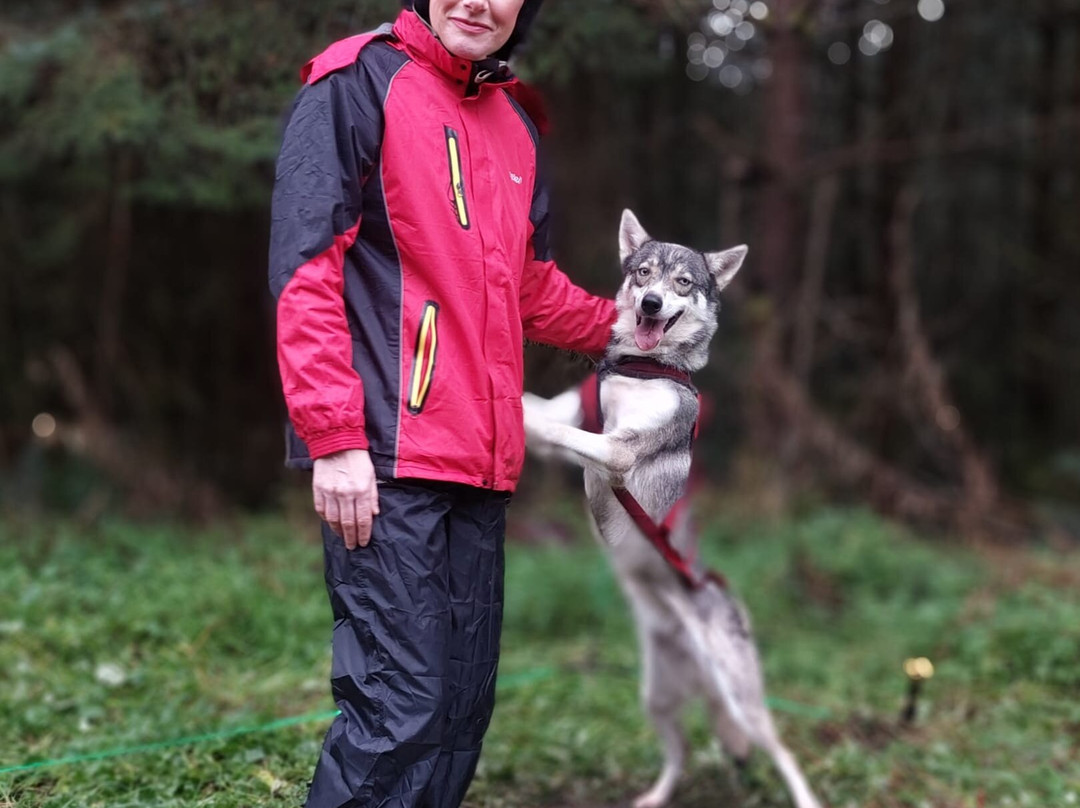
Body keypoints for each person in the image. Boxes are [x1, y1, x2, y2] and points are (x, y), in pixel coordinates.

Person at [268, 1, 615, 806]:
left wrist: (624, 332)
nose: (477, 1)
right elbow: (307, 267)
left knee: (460, 712)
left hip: (481, 461)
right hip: (385, 454)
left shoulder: (515, 125)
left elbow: (528, 286)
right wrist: (333, 437)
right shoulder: (357, 81)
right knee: (399, 711)